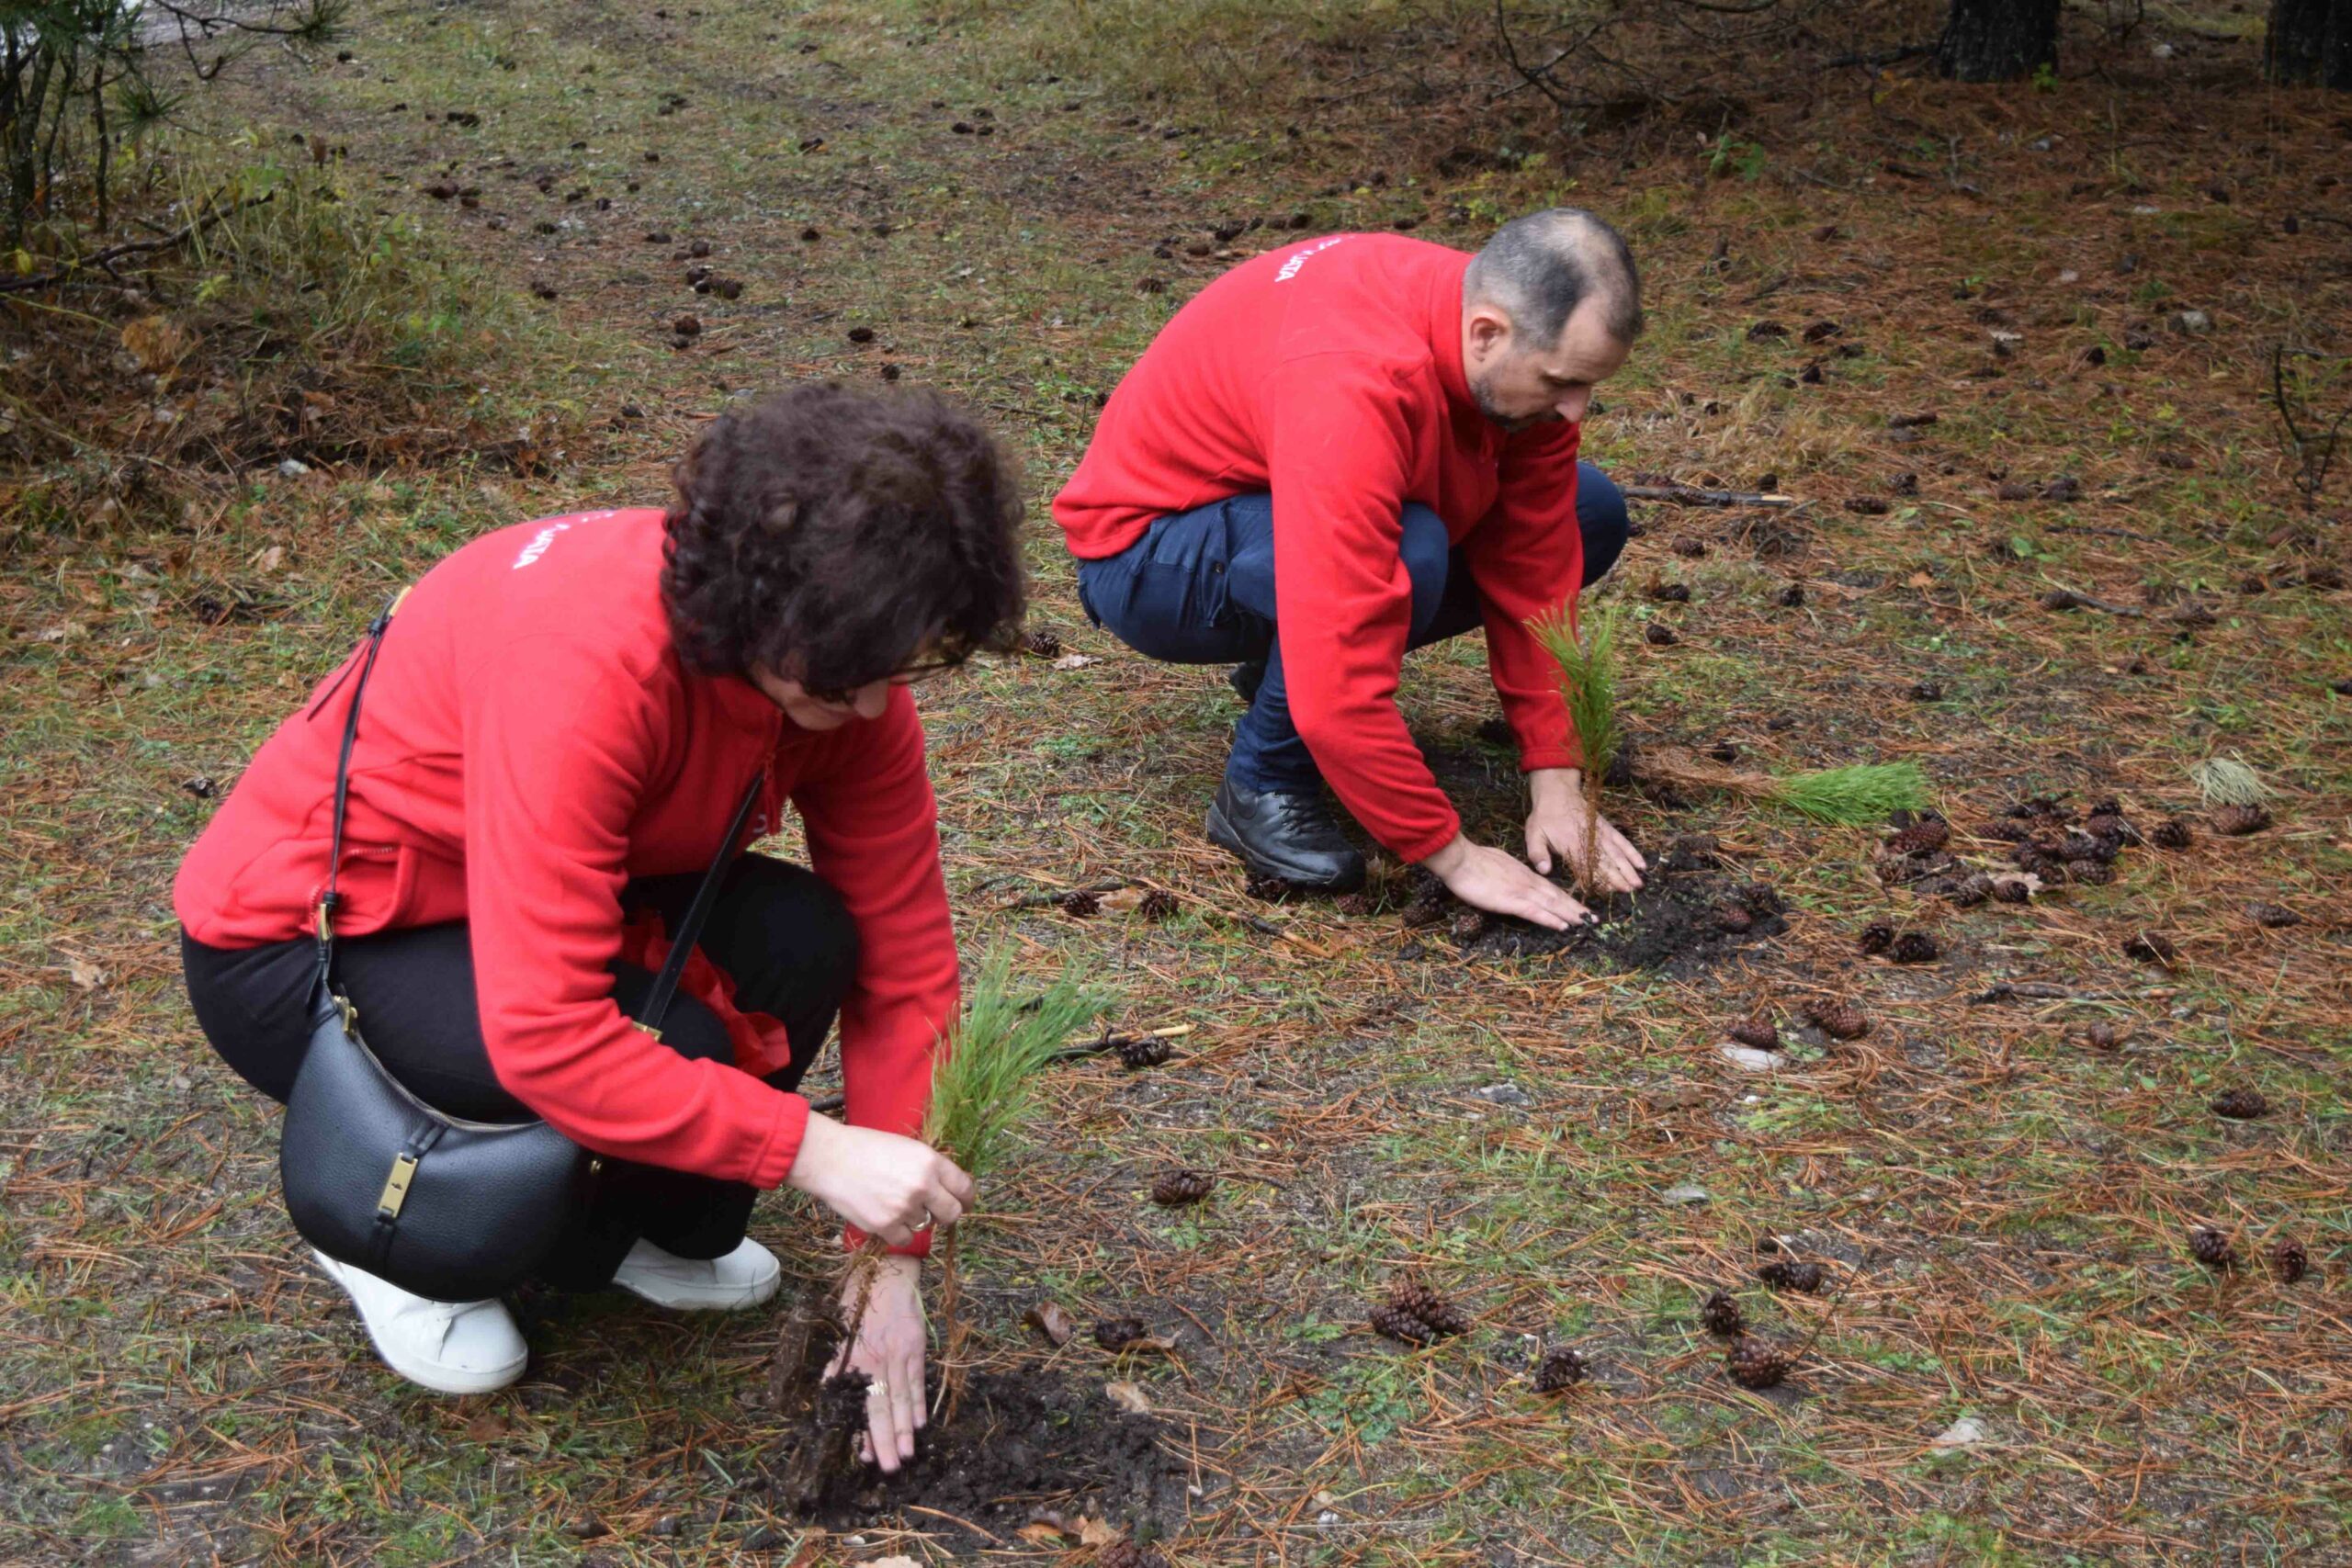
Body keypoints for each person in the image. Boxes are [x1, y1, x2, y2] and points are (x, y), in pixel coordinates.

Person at [175, 382, 1023, 1472]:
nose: (869, 709)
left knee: (807, 936)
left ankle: (623, 1237)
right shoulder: (583, 664)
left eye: (895, 670)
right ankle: (402, 1236)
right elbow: (548, 1034)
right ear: (759, 605)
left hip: (531, 901)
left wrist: (887, 1260)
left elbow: (906, 960)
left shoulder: (838, 660)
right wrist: (812, 1147)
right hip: (320, 942)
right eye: (851, 676)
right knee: (673, 1047)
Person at [1055, 209, 1648, 928]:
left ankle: (1280, 670)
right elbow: (1340, 656)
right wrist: (1453, 855)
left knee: (1591, 514)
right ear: (1485, 332)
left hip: (1280, 504)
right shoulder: (1354, 378)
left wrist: (1558, 778)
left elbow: (1536, 564)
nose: (1575, 407)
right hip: (1150, 552)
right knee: (1408, 549)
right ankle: (1263, 782)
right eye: (1560, 380)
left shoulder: (1501, 330)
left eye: (1588, 383)